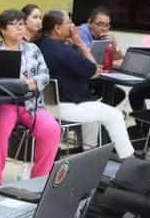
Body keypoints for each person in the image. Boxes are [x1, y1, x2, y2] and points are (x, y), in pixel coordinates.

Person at [38, 10, 135, 159]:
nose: (73, 26)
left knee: (95, 112)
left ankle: (89, 156)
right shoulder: (65, 51)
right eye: (69, 23)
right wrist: (79, 42)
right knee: (115, 115)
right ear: (57, 28)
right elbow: (94, 70)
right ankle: (128, 159)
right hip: (69, 106)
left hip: (46, 104)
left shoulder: (39, 45)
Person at [0, 9, 61, 186]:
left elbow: (45, 75)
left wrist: (30, 83)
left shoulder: (33, 49)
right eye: (14, 24)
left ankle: (38, 182)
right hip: (4, 103)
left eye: (21, 24)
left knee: (52, 129)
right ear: (3, 30)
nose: (20, 28)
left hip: (32, 104)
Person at [75, 6, 126, 106]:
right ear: (90, 22)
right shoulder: (81, 32)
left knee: (117, 93)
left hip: (95, 76)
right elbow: (90, 58)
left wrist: (114, 43)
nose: (103, 29)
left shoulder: (104, 36)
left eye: (107, 25)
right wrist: (112, 63)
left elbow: (121, 60)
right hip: (80, 78)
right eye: (100, 24)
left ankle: (102, 118)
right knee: (113, 93)